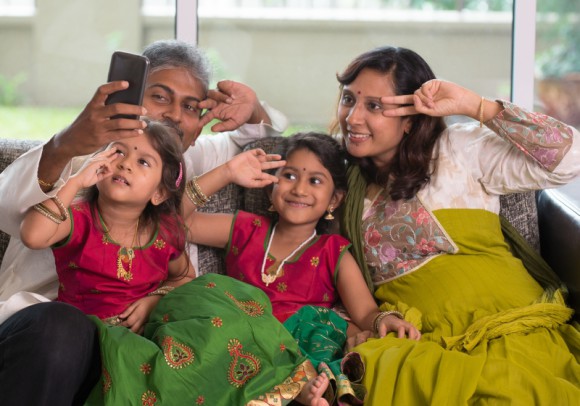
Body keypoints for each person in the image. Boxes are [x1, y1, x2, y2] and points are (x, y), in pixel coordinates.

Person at [0, 39, 286, 406]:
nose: (174, 116)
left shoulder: (190, 158)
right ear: (132, 97)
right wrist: (69, 144)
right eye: (161, 97)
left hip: (134, 340)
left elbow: (260, 138)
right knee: (66, 329)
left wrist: (253, 107)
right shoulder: (88, 156)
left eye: (190, 107)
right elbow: (9, 209)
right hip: (46, 334)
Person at [334, 46, 580, 404]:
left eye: (374, 106)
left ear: (410, 119)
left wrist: (475, 105)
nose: (353, 118)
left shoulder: (458, 149)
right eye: (348, 99)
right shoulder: (336, 182)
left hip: (507, 329)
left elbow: (569, 160)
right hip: (423, 343)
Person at [183, 132, 421, 404]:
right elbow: (176, 224)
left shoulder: (333, 251)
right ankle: (294, 390)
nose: (299, 189)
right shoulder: (246, 229)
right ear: (270, 186)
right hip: (238, 341)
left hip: (297, 350)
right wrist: (226, 172)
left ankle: (299, 387)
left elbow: (365, 311)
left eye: (315, 181)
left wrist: (383, 319)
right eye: (289, 176)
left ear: (334, 200)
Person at [20, 119, 195, 332]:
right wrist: (76, 181)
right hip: (77, 337)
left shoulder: (165, 233)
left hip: (140, 342)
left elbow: (184, 277)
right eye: (119, 151)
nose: (125, 163)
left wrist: (154, 301)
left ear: (159, 193)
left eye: (144, 162)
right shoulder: (78, 218)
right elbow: (32, 236)